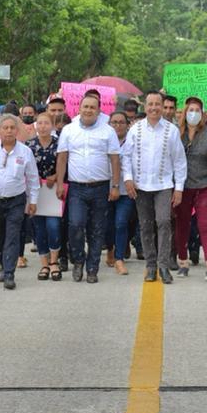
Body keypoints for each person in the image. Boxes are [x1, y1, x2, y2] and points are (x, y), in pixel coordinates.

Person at [55, 94, 121, 284]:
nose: (88, 110)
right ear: (79, 108)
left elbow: (115, 159)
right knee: (75, 224)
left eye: (93, 107)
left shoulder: (108, 131)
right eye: (85, 106)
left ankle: (92, 268)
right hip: (76, 188)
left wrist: (115, 186)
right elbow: (62, 158)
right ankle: (78, 259)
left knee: (97, 230)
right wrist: (60, 184)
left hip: (101, 188)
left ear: (99, 110)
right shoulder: (69, 130)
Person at [122, 91, 188, 284]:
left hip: (163, 184)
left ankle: (164, 265)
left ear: (162, 106)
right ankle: (151, 266)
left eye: (157, 104)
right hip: (141, 185)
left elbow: (179, 162)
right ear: (145, 106)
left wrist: (179, 188)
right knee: (146, 225)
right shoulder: (135, 129)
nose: (154, 108)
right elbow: (126, 156)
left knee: (164, 222)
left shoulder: (172, 130)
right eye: (150, 104)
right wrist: (128, 179)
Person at [0, 114, 40, 290]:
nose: (9, 131)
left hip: (16, 201)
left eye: (12, 128)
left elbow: (33, 179)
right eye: (6, 128)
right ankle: (4, 265)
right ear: (0, 130)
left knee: (12, 235)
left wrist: (33, 201)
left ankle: (10, 273)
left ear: (17, 131)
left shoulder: (25, 152)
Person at [175, 97, 207, 282]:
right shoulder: (176, 133)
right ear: (185, 112)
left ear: (203, 114)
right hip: (182, 186)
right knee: (183, 225)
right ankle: (183, 261)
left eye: (197, 110)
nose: (193, 113)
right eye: (190, 110)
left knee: (206, 225)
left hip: (205, 185)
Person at [29, 112, 63, 281]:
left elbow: (66, 164)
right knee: (39, 229)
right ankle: (44, 263)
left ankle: (54, 262)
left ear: (52, 125)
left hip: (54, 190)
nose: (42, 126)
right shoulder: (29, 145)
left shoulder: (59, 144)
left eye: (46, 123)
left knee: (53, 225)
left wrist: (56, 176)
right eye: (39, 123)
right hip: (35, 191)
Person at [106, 111, 136, 275]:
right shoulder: (103, 140)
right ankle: (110, 248)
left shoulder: (133, 142)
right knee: (108, 224)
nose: (117, 125)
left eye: (121, 122)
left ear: (127, 124)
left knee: (121, 222)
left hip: (126, 190)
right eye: (114, 122)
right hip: (105, 189)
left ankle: (119, 258)